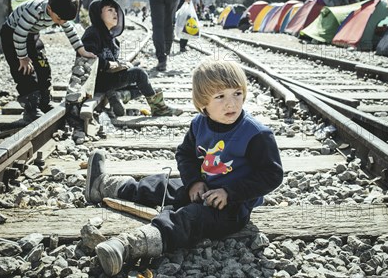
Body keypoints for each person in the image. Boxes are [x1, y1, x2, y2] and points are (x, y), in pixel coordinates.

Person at [84, 59, 284, 276]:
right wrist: (194, 182)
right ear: (203, 104)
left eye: (237, 93)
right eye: (220, 96)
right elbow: (186, 154)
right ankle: (103, 186)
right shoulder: (199, 123)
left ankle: (129, 246)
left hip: (232, 207)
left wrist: (230, 192)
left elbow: (271, 175)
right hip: (205, 185)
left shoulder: (255, 134)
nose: (232, 103)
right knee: (160, 184)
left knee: (189, 217)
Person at [0, 0, 96, 122]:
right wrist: (22, 58)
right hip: (12, 35)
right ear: (49, 8)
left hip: (31, 35)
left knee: (43, 67)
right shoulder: (34, 10)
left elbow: (70, 30)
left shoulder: (60, 12)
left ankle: (44, 102)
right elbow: (19, 35)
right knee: (25, 71)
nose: (61, 22)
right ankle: (31, 108)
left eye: (64, 20)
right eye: (59, 19)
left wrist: (81, 50)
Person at [81, 0, 182, 117]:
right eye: (109, 10)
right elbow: (89, 59)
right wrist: (110, 65)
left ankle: (118, 96)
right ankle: (159, 108)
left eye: (115, 10)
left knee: (143, 85)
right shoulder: (92, 33)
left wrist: (121, 65)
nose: (115, 13)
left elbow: (111, 60)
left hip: (108, 80)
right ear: (98, 15)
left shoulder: (113, 39)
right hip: (98, 81)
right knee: (139, 74)